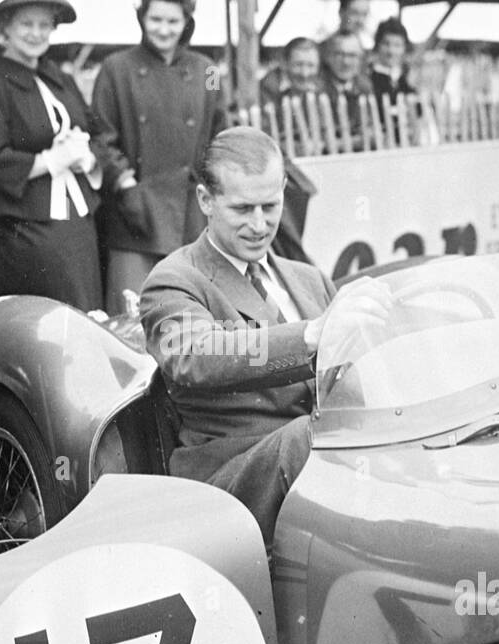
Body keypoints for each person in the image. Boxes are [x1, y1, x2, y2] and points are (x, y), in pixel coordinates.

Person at [140, 127, 389, 546]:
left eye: (270, 206)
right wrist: (310, 335)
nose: (259, 225)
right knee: (311, 437)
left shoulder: (308, 280)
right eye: (242, 209)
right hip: (234, 484)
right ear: (205, 200)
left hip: (327, 468)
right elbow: (195, 356)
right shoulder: (175, 280)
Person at [0, 0, 111, 311]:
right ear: (3, 32)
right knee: (50, 317)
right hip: (26, 227)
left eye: (45, 25)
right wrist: (51, 160)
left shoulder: (62, 81)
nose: (36, 33)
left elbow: (97, 132)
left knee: (87, 315)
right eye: (26, 24)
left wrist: (86, 158)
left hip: (79, 221)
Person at [93, 0, 225, 314]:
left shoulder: (209, 70)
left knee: (193, 313)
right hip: (135, 212)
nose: (163, 29)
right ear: (142, 18)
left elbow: (221, 131)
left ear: (186, 22)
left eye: (172, 21)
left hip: (191, 214)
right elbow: (101, 137)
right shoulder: (115, 68)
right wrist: (125, 185)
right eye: (155, 19)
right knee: (132, 316)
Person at [319, 31, 374, 148]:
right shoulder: (317, 89)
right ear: (328, 57)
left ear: (360, 59)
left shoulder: (365, 87)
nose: (346, 62)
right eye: (339, 54)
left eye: (352, 55)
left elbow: (372, 132)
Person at [259, 36, 320, 105]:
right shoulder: (266, 89)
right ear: (284, 64)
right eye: (298, 65)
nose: (305, 74)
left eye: (310, 65)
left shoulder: (325, 85)